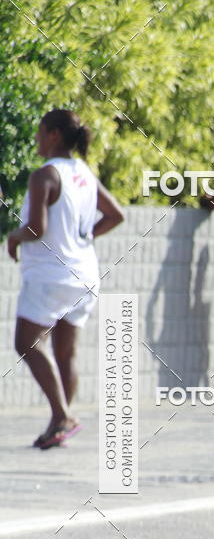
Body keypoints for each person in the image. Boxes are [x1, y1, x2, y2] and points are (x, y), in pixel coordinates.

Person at [5, 109, 124, 449]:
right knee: (65, 353)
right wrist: (83, 237)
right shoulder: (83, 172)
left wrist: (13, 237)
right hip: (84, 273)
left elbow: (36, 228)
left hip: (50, 275)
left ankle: (63, 416)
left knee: (26, 343)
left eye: (41, 131)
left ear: (54, 134)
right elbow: (116, 215)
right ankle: (58, 428)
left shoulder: (44, 175)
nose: (37, 138)